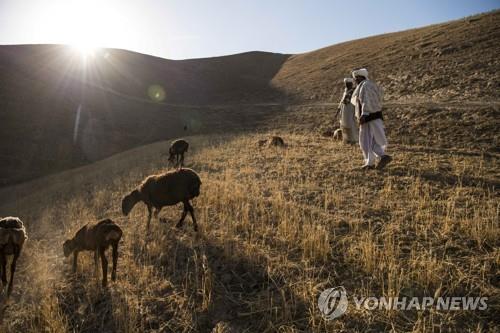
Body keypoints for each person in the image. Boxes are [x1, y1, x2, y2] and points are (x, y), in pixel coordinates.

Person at [350, 68, 392, 170]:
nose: (355, 81)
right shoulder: (369, 85)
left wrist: (364, 114)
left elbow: (366, 101)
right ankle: (371, 162)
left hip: (369, 117)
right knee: (371, 140)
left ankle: (379, 158)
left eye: (356, 78)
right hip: (373, 116)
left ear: (360, 77)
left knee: (366, 141)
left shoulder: (365, 86)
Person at [335, 78, 358, 144]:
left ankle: (354, 140)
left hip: (350, 110)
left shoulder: (354, 91)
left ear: (351, 84)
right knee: (344, 125)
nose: (347, 85)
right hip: (344, 111)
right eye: (346, 84)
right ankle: (346, 139)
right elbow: (341, 102)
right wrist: (338, 110)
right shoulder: (345, 91)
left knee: (351, 124)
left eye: (348, 84)